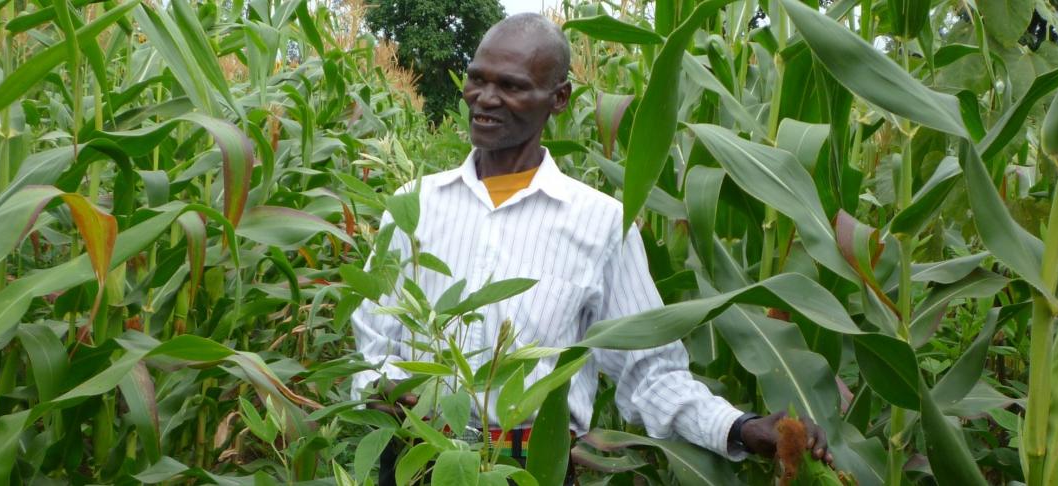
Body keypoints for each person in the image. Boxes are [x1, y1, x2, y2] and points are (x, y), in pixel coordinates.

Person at [351, 12, 832, 483]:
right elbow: (373, 335)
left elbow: (649, 373)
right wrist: (382, 385)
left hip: (531, 468)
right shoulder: (414, 204)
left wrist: (740, 427)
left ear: (559, 98)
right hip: (417, 459)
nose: (485, 98)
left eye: (512, 86)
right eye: (477, 79)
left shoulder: (601, 224)